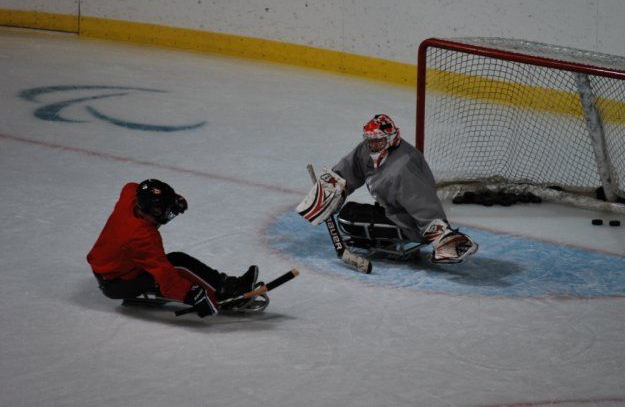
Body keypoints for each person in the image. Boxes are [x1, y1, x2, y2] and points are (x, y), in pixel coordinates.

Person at [298, 114, 478, 264]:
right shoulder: (368, 150)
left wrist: (441, 235)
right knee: (349, 212)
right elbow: (350, 168)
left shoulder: (403, 168)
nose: (373, 145)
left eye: (378, 141)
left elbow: (423, 203)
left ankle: (427, 236)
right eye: (371, 141)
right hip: (393, 211)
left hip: (410, 223)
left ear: (391, 138)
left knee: (348, 220)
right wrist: (332, 190)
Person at [87, 179, 258, 317]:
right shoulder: (143, 238)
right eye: (166, 210)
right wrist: (190, 295)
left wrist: (173, 199)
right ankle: (228, 291)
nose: (170, 214)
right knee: (178, 262)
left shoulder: (130, 199)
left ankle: (224, 284)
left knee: (173, 262)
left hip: (111, 267)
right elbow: (166, 275)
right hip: (116, 283)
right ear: (153, 212)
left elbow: (131, 186)